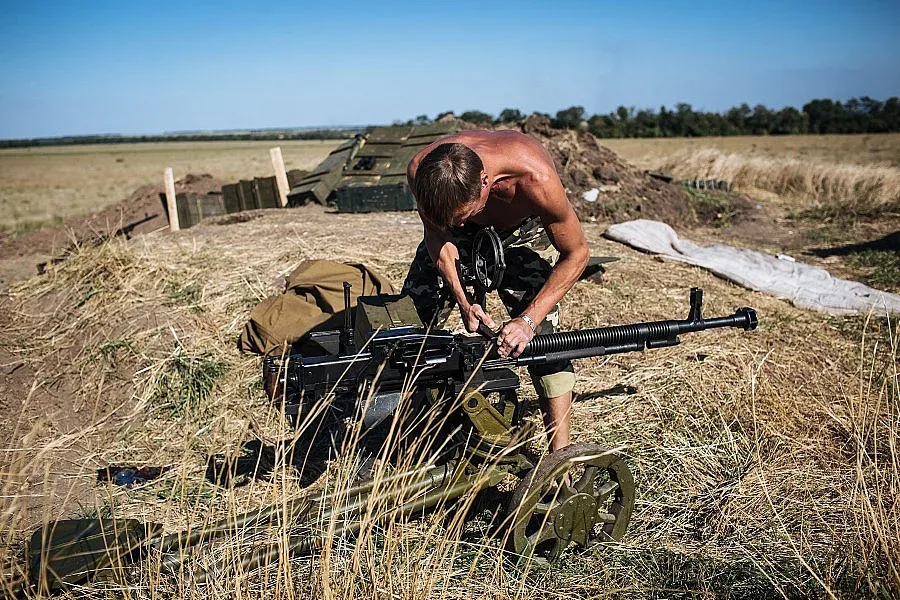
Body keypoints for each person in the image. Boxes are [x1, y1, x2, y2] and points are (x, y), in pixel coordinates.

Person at [402, 129, 589, 452]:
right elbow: (438, 236)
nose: (459, 224)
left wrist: (528, 321)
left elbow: (577, 254)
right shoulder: (422, 169)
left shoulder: (536, 180)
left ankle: (561, 456)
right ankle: (406, 426)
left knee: (545, 342)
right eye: (453, 220)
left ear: (486, 182)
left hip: (523, 228)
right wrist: (464, 301)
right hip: (457, 233)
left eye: (464, 215)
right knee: (408, 325)